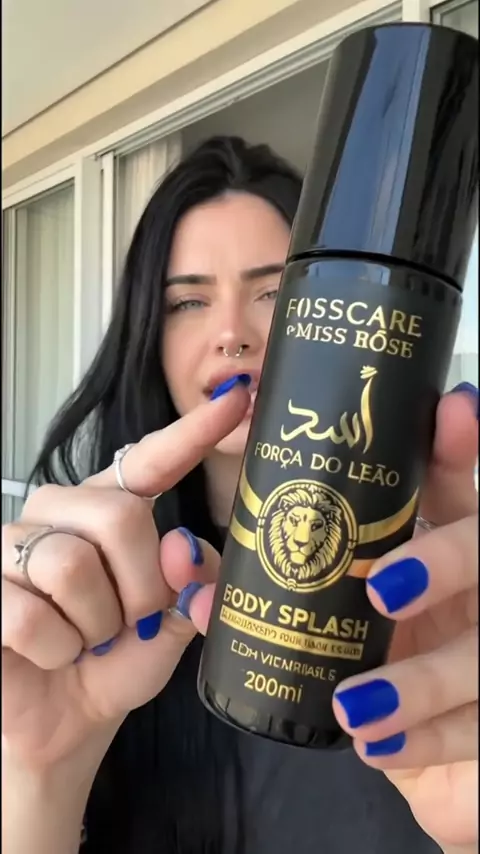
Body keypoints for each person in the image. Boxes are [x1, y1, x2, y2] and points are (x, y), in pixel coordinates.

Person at [2, 136, 478, 854]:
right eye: (189, 301)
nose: (232, 334)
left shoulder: (430, 604)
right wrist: (39, 771)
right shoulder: (95, 602)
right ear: (148, 339)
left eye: (275, 293)